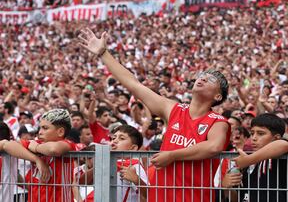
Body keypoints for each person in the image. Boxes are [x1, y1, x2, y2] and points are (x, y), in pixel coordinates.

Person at [78, 28, 232, 201]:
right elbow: (134, 84)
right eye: (202, 75)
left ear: (218, 96)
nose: (203, 78)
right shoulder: (173, 109)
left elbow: (213, 147)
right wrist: (104, 53)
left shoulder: (219, 122)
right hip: (160, 195)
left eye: (211, 80)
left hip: (194, 197)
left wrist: (172, 155)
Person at [3, 108, 76, 202]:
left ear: (60, 132)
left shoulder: (67, 144)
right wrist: (36, 159)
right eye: (40, 127)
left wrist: (36, 147)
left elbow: (53, 149)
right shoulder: (35, 143)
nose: (40, 132)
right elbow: (5, 144)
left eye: (45, 128)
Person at [232, 113, 288, 201]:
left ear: (276, 138)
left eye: (260, 133)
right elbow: (238, 197)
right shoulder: (247, 162)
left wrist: (248, 160)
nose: (254, 138)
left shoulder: (279, 157)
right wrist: (227, 187)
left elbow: (284, 144)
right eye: (252, 133)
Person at [81, 125, 148, 202]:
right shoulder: (105, 162)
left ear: (133, 148)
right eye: (113, 138)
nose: (115, 141)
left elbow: (149, 194)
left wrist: (136, 179)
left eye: (121, 138)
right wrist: (99, 166)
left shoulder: (134, 165)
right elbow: (82, 182)